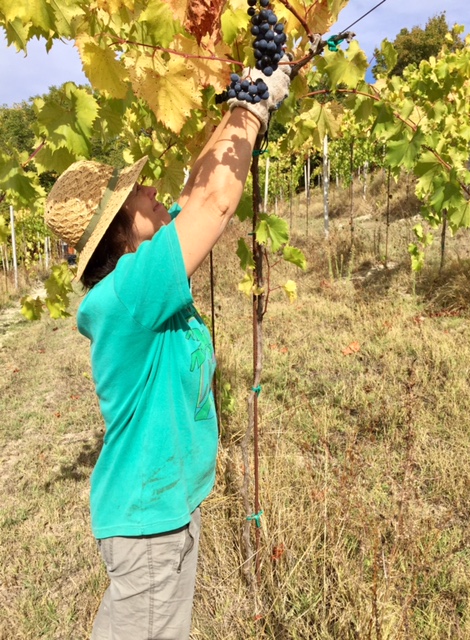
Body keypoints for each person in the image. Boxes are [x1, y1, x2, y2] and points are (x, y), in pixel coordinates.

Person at [44, 64, 290, 640]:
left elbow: (195, 192)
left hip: (165, 511)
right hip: (149, 525)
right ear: (120, 230)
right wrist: (252, 109)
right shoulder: (131, 292)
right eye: (135, 194)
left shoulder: (141, 279)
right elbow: (214, 206)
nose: (152, 191)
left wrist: (239, 99)